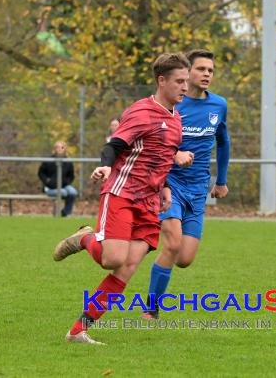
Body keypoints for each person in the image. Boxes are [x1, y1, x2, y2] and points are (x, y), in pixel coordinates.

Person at [52, 52, 193, 345]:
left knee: (127, 267)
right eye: (180, 81)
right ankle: (84, 239)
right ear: (161, 80)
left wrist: (164, 187)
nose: (185, 87)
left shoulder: (177, 119)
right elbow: (115, 144)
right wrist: (105, 164)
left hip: (150, 202)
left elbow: (160, 158)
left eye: (187, 81)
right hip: (122, 193)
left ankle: (78, 331)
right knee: (112, 258)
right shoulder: (142, 111)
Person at [142, 49, 231, 320]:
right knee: (172, 243)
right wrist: (172, 159)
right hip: (169, 185)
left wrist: (221, 181)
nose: (206, 74)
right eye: (201, 69)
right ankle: (151, 310)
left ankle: (143, 245)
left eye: (211, 70)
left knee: (184, 258)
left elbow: (223, 142)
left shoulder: (218, 105)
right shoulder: (171, 105)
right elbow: (152, 144)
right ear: (186, 73)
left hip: (198, 189)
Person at [38, 141, 78, 217]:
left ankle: (65, 212)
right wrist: (47, 181)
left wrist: (66, 182)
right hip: (50, 187)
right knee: (64, 193)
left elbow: (71, 176)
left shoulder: (68, 162)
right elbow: (41, 173)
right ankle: (58, 212)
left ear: (65, 149)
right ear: (54, 149)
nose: (59, 149)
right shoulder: (48, 160)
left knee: (73, 192)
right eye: (57, 147)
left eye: (62, 147)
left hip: (64, 186)